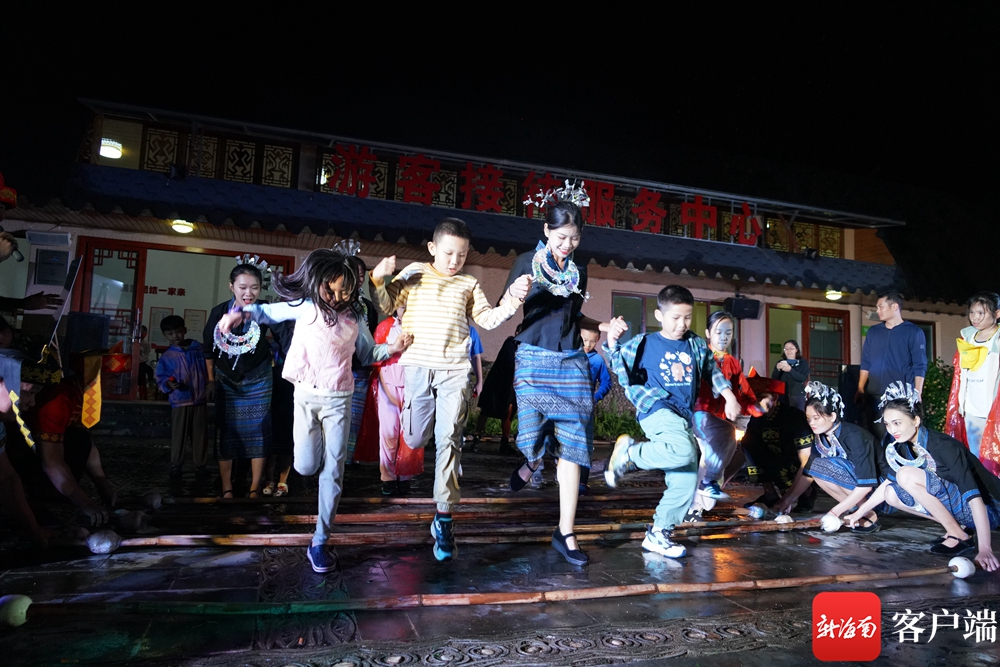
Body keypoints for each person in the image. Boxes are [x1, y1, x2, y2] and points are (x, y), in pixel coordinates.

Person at [217, 248, 410, 573]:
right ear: (318, 283)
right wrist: (240, 313)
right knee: (306, 466)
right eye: (330, 290)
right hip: (306, 396)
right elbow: (268, 312)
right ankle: (315, 462)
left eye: (344, 291)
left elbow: (366, 353)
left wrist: (392, 347)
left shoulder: (355, 316)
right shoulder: (305, 306)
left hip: (339, 399)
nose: (337, 297)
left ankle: (320, 540)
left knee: (333, 472)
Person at [370, 218, 531, 562]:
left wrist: (513, 300)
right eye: (448, 253)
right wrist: (378, 279)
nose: (455, 260)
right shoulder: (414, 273)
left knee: (449, 440)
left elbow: (487, 319)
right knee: (415, 438)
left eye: (461, 254)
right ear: (432, 248)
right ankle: (436, 488)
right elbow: (386, 304)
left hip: (455, 371)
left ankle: (443, 517)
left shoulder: (468, 284)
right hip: (418, 367)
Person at [501, 194, 617, 565]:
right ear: (546, 230)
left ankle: (565, 531)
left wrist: (603, 325)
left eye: (575, 238)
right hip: (533, 358)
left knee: (574, 441)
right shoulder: (525, 262)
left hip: (570, 360)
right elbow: (505, 309)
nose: (568, 245)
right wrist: (512, 294)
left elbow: (574, 316)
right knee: (532, 434)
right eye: (561, 237)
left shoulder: (579, 269)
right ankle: (533, 459)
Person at [604, 285, 741, 559]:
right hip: (656, 408)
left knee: (686, 480)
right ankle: (630, 454)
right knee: (685, 450)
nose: (682, 324)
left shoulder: (695, 344)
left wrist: (729, 396)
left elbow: (711, 371)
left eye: (687, 318)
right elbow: (619, 364)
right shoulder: (645, 343)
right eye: (675, 318)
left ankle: (658, 534)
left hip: (682, 415)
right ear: (659, 315)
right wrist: (611, 340)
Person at [846, 382, 1000, 572]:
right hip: (964, 512)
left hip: (991, 511)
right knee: (890, 493)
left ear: (916, 421)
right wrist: (859, 513)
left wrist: (985, 549)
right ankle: (957, 530)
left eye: (897, 423)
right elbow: (889, 482)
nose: (892, 430)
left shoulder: (944, 446)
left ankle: (958, 535)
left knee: (905, 474)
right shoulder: (904, 445)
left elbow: (975, 498)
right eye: (887, 424)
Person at [205, 261, 275, 497]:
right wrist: (211, 380)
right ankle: (227, 487)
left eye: (254, 287)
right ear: (231, 286)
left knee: (259, 430)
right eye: (243, 287)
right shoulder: (219, 312)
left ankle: (254, 487)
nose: (249, 293)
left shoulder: (265, 310)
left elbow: (283, 336)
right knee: (227, 430)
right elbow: (208, 349)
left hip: (259, 377)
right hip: (227, 379)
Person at [686, 311, 763, 519]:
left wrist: (758, 407)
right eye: (718, 332)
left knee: (716, 459)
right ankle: (696, 504)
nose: (723, 337)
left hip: (720, 420)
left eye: (728, 332)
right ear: (707, 333)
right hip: (700, 416)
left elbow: (745, 395)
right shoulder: (700, 357)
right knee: (714, 455)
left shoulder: (733, 363)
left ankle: (697, 505)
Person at [801, 381, 884, 532]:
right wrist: (786, 501)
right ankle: (857, 512)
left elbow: (866, 485)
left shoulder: (854, 435)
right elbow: (807, 473)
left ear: (832, 416)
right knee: (816, 467)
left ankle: (868, 515)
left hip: (879, 491)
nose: (811, 422)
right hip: (859, 489)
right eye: (808, 418)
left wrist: (834, 512)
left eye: (816, 418)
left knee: (825, 465)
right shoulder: (821, 435)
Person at [734, 371, 818, 512]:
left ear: (774, 397)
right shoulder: (757, 418)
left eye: (760, 397)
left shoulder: (794, 417)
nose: (755, 402)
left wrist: (787, 499)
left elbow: (807, 461)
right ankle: (770, 494)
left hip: (797, 464)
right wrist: (719, 481)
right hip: (774, 460)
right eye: (752, 397)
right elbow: (746, 449)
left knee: (780, 466)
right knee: (748, 442)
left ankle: (807, 494)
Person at [857, 289, 927, 440]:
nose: (878, 310)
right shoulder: (874, 332)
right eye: (877, 307)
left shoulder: (913, 332)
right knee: (876, 436)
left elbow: (920, 365)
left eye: (881, 306)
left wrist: (917, 393)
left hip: (900, 396)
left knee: (899, 436)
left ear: (894, 307)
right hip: (875, 394)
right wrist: (860, 388)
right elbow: (866, 362)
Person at [943, 292, 1000, 473]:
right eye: (972, 312)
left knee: (995, 458)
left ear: (997, 314)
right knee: (976, 457)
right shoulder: (967, 339)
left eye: (981, 313)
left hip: (994, 409)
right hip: (972, 408)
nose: (975, 318)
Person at [374, 305, 422, 496]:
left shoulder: (420, 327)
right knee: (389, 434)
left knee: (410, 434)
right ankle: (388, 478)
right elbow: (375, 356)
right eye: (402, 303)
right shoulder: (385, 327)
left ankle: (405, 476)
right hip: (389, 385)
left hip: (413, 387)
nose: (407, 307)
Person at [156, 315, 210, 481]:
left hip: (199, 399)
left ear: (185, 330)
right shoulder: (167, 357)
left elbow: (210, 369)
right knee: (179, 435)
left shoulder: (199, 350)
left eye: (178, 331)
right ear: (165, 335)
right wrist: (168, 384)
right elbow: (160, 377)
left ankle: (201, 465)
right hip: (180, 400)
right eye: (170, 333)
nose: (175, 336)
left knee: (200, 436)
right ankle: (176, 465)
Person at [345, 254, 378, 465]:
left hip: (360, 370)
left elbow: (372, 339)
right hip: (337, 369)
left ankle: (348, 458)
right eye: (353, 274)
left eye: (361, 275)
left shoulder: (368, 306)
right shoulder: (334, 303)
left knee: (355, 416)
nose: (358, 279)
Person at [471, 326, 520, 456]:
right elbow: (510, 362)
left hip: (511, 384)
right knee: (487, 409)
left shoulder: (526, 346)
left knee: (509, 411)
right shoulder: (510, 343)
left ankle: (505, 442)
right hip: (498, 380)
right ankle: (476, 438)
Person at [771, 339, 809, 410]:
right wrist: (777, 369)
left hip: (797, 394)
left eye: (791, 348)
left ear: (796, 350)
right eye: (786, 349)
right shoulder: (781, 362)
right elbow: (774, 379)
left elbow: (803, 378)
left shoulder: (802, 362)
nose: (789, 351)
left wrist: (790, 370)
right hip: (782, 394)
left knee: (796, 414)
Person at [137, 325, 154, 400]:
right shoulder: (133, 342)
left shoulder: (147, 344)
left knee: (149, 370)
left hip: (142, 362)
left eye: (144, 331)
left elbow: (146, 355)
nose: (142, 333)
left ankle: (150, 382)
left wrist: (140, 359)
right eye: (140, 331)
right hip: (134, 362)